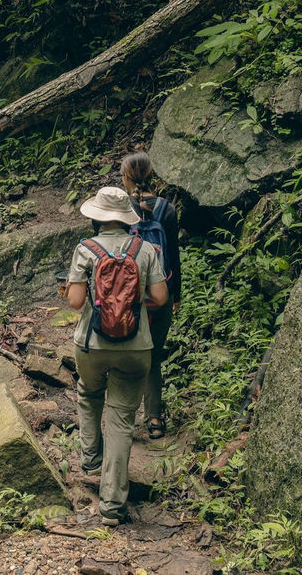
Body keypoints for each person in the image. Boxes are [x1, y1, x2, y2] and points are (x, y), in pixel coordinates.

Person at [65, 186, 168, 526]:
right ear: (126, 219)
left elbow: (76, 303)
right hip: (136, 347)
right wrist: (132, 305)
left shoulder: (86, 249)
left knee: (89, 393)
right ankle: (112, 505)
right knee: (123, 420)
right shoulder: (147, 249)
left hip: (91, 346)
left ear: (96, 217)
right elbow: (161, 297)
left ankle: (91, 459)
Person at [120, 150, 181, 440]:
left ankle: (124, 418)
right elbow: (174, 256)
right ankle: (154, 418)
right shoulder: (167, 210)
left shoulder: (118, 210)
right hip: (160, 295)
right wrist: (175, 295)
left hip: (127, 297)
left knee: (128, 355)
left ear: (126, 178)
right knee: (154, 356)